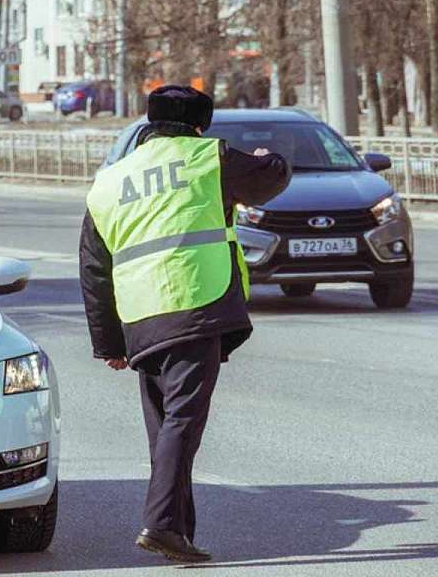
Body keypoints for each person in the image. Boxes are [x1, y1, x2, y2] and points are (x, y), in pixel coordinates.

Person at [79, 85, 290, 563]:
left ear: (150, 124)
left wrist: (108, 342)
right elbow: (271, 178)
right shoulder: (208, 158)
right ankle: (161, 525)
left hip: (140, 316)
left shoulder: (111, 180)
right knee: (183, 421)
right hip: (195, 301)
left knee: (166, 428)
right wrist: (265, 158)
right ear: (198, 126)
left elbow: (93, 267)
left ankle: (177, 533)